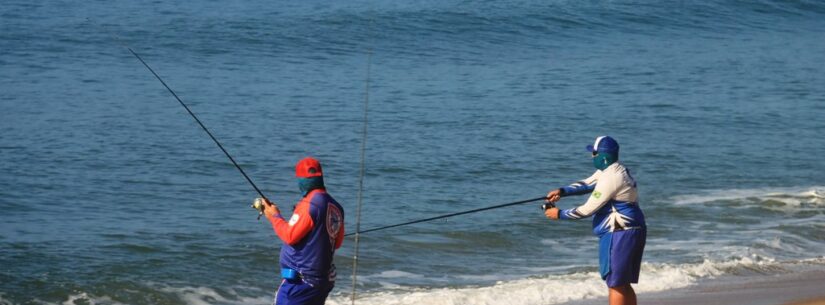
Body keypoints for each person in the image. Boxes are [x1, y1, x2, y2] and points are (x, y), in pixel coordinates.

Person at [544, 136, 646, 305]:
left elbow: (587, 209)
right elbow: (587, 184)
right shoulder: (615, 170)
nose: (592, 156)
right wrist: (562, 191)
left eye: (594, 153)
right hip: (633, 230)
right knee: (623, 283)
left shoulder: (610, 177)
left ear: (603, 157)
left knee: (615, 284)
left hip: (618, 232)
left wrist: (559, 214)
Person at [258, 157, 345, 305]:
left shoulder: (308, 205)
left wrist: (274, 216)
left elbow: (289, 235)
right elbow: (337, 242)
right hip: (323, 281)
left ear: (301, 180)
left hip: (302, 283)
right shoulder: (336, 207)